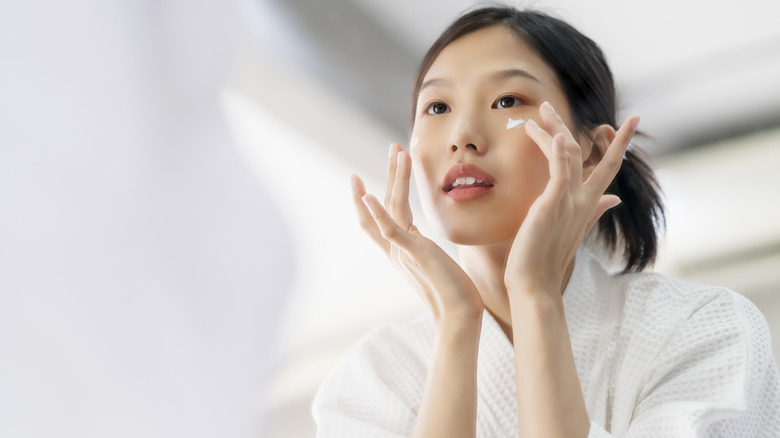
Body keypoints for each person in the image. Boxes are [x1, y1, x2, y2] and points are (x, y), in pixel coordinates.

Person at [311, 6, 780, 437]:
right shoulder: (374, 379)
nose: (462, 137)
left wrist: (534, 295)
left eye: (507, 101)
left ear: (593, 155)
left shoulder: (702, 329)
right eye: (437, 107)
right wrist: (456, 325)